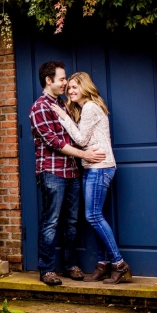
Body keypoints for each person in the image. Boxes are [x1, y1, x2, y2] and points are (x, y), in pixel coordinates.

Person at [29, 61, 106, 286]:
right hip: (52, 172)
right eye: (62, 79)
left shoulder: (63, 104)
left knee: (71, 222)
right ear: (48, 80)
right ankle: (47, 269)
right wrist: (85, 156)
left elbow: (77, 135)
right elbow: (54, 142)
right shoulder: (40, 107)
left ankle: (71, 264)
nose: (65, 83)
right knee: (51, 221)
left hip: (72, 171)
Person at [51, 71, 132, 284]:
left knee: (93, 216)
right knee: (95, 217)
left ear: (85, 87)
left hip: (100, 168)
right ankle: (103, 264)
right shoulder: (87, 108)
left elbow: (80, 139)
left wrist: (64, 117)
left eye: (75, 87)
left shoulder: (89, 107)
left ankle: (119, 263)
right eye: (69, 88)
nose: (70, 91)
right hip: (92, 167)